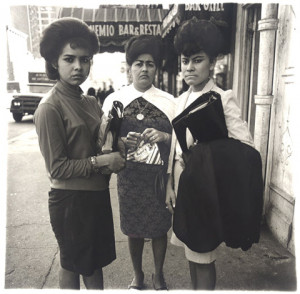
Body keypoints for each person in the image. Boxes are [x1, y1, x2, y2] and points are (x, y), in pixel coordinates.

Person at [34, 17, 125, 290]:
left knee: (79, 263)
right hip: (71, 201)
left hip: (96, 196)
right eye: (69, 59)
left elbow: (100, 145)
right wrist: (101, 161)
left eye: (84, 60)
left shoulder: (89, 101)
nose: (78, 67)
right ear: (54, 62)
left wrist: (120, 145)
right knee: (82, 266)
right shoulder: (50, 107)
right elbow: (57, 168)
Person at [166, 18, 255, 290]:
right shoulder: (179, 100)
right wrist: (169, 184)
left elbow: (246, 146)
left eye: (197, 60)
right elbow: (173, 147)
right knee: (191, 255)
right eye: (185, 61)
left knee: (203, 255)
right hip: (183, 187)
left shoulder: (221, 98)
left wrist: (203, 152)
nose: (189, 67)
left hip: (205, 189)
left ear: (212, 63)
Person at [102, 35, 176, 290]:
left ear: (156, 68)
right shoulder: (114, 101)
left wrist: (164, 135)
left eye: (150, 64)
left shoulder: (169, 102)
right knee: (133, 229)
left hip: (158, 180)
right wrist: (123, 141)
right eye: (138, 63)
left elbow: (178, 142)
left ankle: (158, 274)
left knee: (159, 229)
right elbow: (105, 142)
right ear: (130, 66)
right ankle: (138, 275)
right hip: (129, 180)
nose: (144, 68)